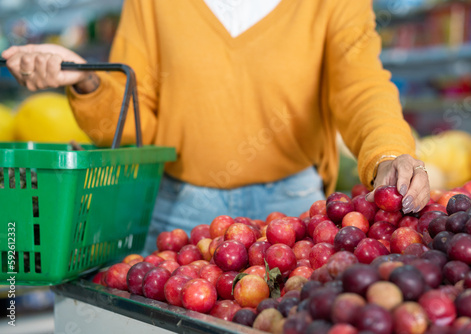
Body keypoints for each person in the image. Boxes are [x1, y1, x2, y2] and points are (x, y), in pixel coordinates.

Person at [2, 0, 430, 254]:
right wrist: (87, 79)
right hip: (177, 211)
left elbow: (360, 88)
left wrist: (388, 154)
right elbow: (137, 122)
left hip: (299, 213)